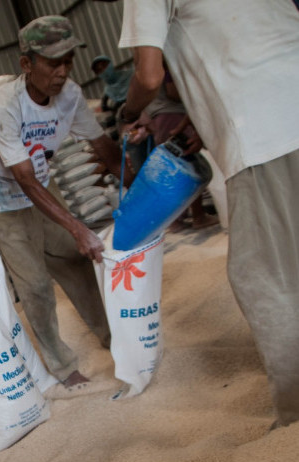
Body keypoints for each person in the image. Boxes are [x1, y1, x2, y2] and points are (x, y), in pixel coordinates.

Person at [114, 0, 299, 428]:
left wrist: (127, 114)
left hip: (264, 132)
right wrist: (202, 119)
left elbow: (148, 75)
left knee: (263, 273)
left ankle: (295, 407)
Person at [0, 16, 129, 387]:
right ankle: (62, 366)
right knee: (37, 286)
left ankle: (113, 337)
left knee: (77, 262)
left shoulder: (71, 95)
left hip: (44, 189)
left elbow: (101, 145)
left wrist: (134, 185)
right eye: (52, 63)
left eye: (68, 61)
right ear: (27, 64)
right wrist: (78, 227)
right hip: (7, 203)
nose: (62, 72)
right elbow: (23, 179)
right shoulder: (4, 107)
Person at [129, 66, 218, 230]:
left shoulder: (143, 71)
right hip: (172, 114)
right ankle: (198, 216)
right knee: (186, 166)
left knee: (171, 169)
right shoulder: (165, 66)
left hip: (159, 117)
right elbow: (173, 93)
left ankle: (176, 219)